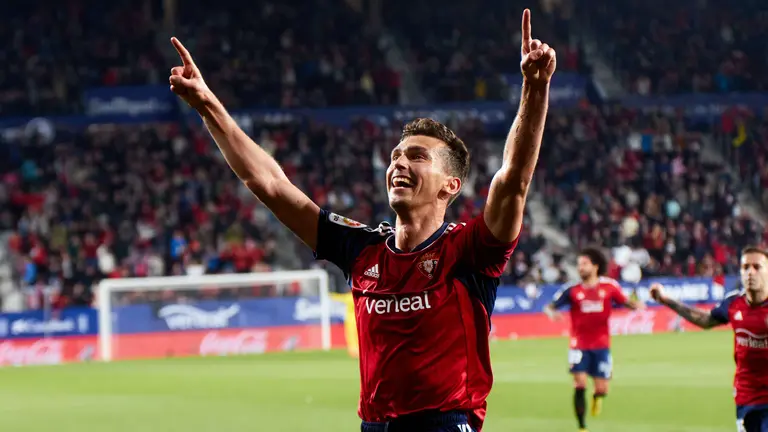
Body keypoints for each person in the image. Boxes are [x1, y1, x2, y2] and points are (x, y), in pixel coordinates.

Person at [167, 9, 556, 431]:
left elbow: (513, 179)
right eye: (395, 156)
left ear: (451, 185)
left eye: (417, 157)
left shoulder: (469, 250)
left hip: (445, 423)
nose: (399, 163)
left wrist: (534, 89)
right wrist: (207, 104)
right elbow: (269, 183)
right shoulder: (361, 248)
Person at [650, 246, 768, 432]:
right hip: (747, 396)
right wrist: (666, 300)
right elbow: (704, 320)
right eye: (745, 267)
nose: (750, 273)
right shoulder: (733, 303)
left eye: (757, 267)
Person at [544, 247, 644, 432]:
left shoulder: (609, 287)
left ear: (595, 266)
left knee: (602, 389)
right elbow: (550, 306)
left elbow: (625, 301)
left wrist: (636, 305)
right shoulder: (572, 290)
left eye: (584, 264)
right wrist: (552, 313)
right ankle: (582, 427)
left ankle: (597, 398)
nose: (580, 268)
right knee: (580, 383)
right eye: (579, 264)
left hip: (602, 345)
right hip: (578, 345)